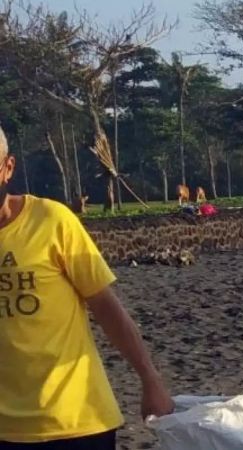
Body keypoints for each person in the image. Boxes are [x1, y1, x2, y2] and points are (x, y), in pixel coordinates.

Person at [0, 125, 173, 449]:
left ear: (8, 167)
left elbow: (106, 307)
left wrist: (150, 379)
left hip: (76, 423)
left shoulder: (51, 221)